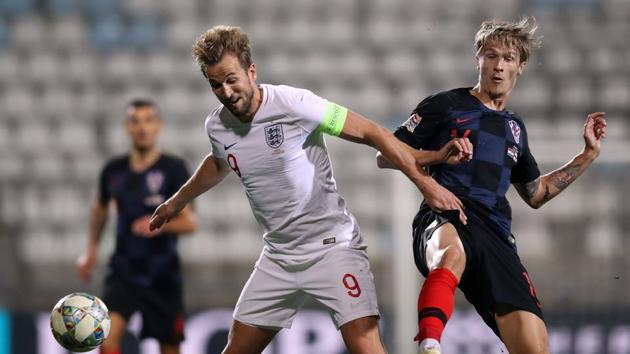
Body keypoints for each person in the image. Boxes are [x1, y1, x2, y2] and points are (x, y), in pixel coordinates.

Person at [149, 25, 472, 354]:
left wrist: (425, 181)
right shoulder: (217, 125)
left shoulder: (294, 104)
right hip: (279, 256)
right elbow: (220, 163)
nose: (226, 91)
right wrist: (177, 201)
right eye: (215, 85)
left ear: (251, 71)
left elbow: (372, 133)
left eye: (232, 79)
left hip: (332, 247)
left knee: (367, 348)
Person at [377, 17, 608, 354]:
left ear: (521, 66)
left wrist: (587, 154)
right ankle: (429, 343)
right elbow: (386, 154)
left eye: (508, 58)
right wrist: (437, 156)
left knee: (535, 346)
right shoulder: (446, 105)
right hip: (447, 212)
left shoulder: (515, 128)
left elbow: (536, 194)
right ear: (478, 60)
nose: (498, 66)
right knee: (451, 253)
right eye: (491, 56)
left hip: (496, 234)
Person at [76, 99, 198, 354]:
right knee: (105, 341)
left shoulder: (173, 169)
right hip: (124, 271)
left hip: (162, 274)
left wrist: (160, 225)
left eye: (148, 120)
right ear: (127, 127)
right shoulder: (113, 170)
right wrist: (91, 250)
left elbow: (190, 222)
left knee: (169, 348)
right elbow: (100, 209)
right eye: (135, 121)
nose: (142, 127)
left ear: (158, 126)